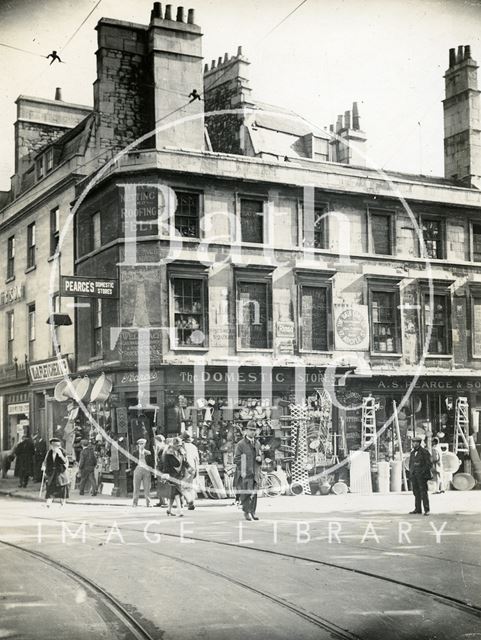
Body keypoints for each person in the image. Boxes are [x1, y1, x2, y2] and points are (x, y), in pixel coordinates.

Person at [234, 421, 262, 521]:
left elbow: (260, 455)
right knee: (246, 493)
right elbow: (237, 459)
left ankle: (253, 512)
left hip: (255, 472)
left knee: (254, 493)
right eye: (250, 430)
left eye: (254, 430)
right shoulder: (241, 444)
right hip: (245, 473)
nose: (252, 432)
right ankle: (246, 512)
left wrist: (260, 459)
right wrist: (244, 469)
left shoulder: (257, 443)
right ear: (246, 431)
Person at [162, 437, 190, 517]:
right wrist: (166, 474)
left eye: (180, 445)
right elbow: (165, 464)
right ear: (173, 445)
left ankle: (169, 510)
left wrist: (189, 468)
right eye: (177, 445)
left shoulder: (181, 451)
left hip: (179, 474)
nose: (179, 447)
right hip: (172, 474)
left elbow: (184, 461)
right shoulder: (168, 453)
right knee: (177, 492)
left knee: (173, 493)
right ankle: (180, 510)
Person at [41, 438, 69, 507]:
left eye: (57, 446)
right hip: (52, 472)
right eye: (53, 446)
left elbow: (65, 462)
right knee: (50, 487)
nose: (55, 448)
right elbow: (45, 461)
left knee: (62, 488)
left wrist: (60, 455)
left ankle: (63, 503)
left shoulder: (62, 452)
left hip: (60, 473)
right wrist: (44, 466)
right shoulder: (49, 452)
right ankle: (48, 503)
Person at [408, 436, 432, 515]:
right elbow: (410, 464)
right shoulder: (412, 453)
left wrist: (422, 472)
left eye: (416, 442)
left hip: (421, 476)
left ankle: (426, 509)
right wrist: (411, 472)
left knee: (423, 493)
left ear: (419, 443)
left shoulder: (424, 452)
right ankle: (418, 509)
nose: (414, 444)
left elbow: (429, 464)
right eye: (413, 442)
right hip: (414, 475)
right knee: (416, 492)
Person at [132, 438, 153, 507]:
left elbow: (151, 462)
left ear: (145, 444)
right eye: (139, 444)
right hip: (138, 469)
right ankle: (135, 502)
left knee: (147, 487)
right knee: (136, 487)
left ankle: (148, 502)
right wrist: (134, 469)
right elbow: (132, 462)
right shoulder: (135, 452)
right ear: (138, 445)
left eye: (142, 444)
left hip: (146, 470)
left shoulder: (148, 452)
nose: (140, 445)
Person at [181, 432, 199, 510]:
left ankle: (188, 502)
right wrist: (197, 470)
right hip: (193, 467)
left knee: (182, 487)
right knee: (190, 486)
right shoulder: (194, 447)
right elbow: (197, 460)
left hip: (185, 467)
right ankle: (191, 501)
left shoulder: (182, 447)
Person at [153, 434, 167, 507]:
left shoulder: (163, 448)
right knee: (160, 484)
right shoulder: (159, 447)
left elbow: (161, 459)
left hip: (162, 469)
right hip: (159, 468)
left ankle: (164, 501)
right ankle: (161, 500)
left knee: (162, 484)